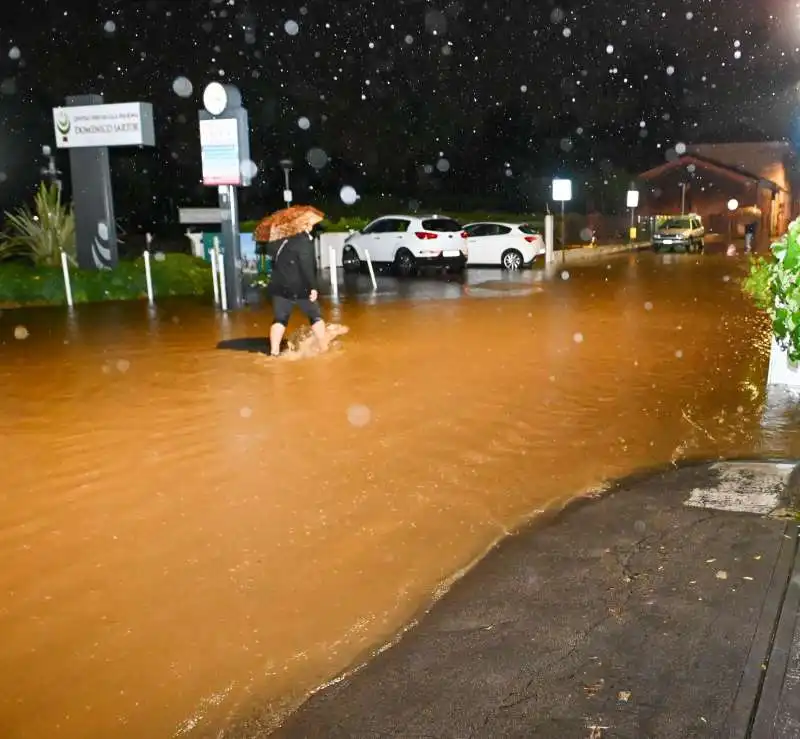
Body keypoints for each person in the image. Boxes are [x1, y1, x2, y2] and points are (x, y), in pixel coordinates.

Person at [266, 231, 328, 356]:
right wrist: (313, 287)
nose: (311, 225)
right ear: (303, 224)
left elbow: (274, 260)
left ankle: (274, 353)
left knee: (280, 319)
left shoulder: (279, 239)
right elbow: (307, 266)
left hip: (279, 285)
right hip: (300, 287)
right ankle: (324, 348)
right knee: (315, 316)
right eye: (309, 223)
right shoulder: (303, 240)